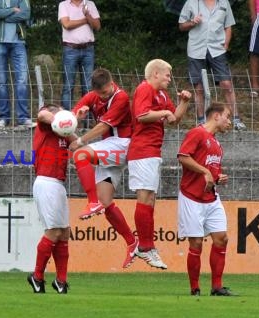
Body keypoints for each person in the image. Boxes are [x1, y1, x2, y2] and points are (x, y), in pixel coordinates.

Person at [68, 68, 138, 268]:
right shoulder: (93, 96)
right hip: (109, 148)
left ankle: (91, 202)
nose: (104, 96)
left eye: (106, 92)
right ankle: (132, 243)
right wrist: (77, 116)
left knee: (80, 154)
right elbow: (74, 114)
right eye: (101, 94)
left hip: (122, 144)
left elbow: (104, 127)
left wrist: (81, 140)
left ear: (111, 83)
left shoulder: (121, 97)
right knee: (106, 202)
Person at [127, 59, 191, 270]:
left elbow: (174, 120)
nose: (169, 79)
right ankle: (145, 246)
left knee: (150, 199)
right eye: (167, 75)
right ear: (155, 73)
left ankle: (146, 246)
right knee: (145, 196)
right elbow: (141, 115)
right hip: (142, 150)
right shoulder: (145, 89)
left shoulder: (162, 95)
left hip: (153, 151)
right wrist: (163, 113)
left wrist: (183, 102)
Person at [177, 102, 236, 296]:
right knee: (196, 244)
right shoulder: (197, 133)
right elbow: (183, 156)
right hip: (191, 197)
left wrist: (218, 177)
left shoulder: (217, 144)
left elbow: (212, 172)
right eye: (227, 116)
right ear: (216, 116)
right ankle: (195, 288)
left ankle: (217, 287)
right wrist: (204, 171)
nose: (229, 121)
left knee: (222, 239)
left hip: (211, 198)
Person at [27, 104, 77, 294]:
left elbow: (77, 142)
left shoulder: (62, 132)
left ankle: (61, 281)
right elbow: (42, 115)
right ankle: (37, 276)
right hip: (46, 181)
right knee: (53, 232)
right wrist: (59, 116)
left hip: (58, 184)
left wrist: (73, 120)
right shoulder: (46, 125)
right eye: (59, 111)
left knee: (64, 233)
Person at [178, 0, 246, 131]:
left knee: (226, 84)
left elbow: (228, 26)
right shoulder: (191, 3)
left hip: (217, 49)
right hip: (196, 49)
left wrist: (226, 44)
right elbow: (181, 25)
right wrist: (192, 22)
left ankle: (236, 119)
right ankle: (201, 121)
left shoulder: (224, 3)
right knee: (199, 88)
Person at [0, 0, 35, 128]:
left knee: (22, 79)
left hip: (18, 42)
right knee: (1, 80)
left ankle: (23, 118)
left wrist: (4, 17)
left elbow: (26, 14)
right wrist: (13, 10)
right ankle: (3, 118)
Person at [58, 0, 100, 113]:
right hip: (70, 49)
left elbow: (97, 26)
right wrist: (85, 20)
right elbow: (67, 24)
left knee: (88, 86)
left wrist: (87, 15)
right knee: (68, 86)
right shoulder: (64, 5)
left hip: (88, 49)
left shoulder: (90, 4)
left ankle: (87, 119)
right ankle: (67, 118)